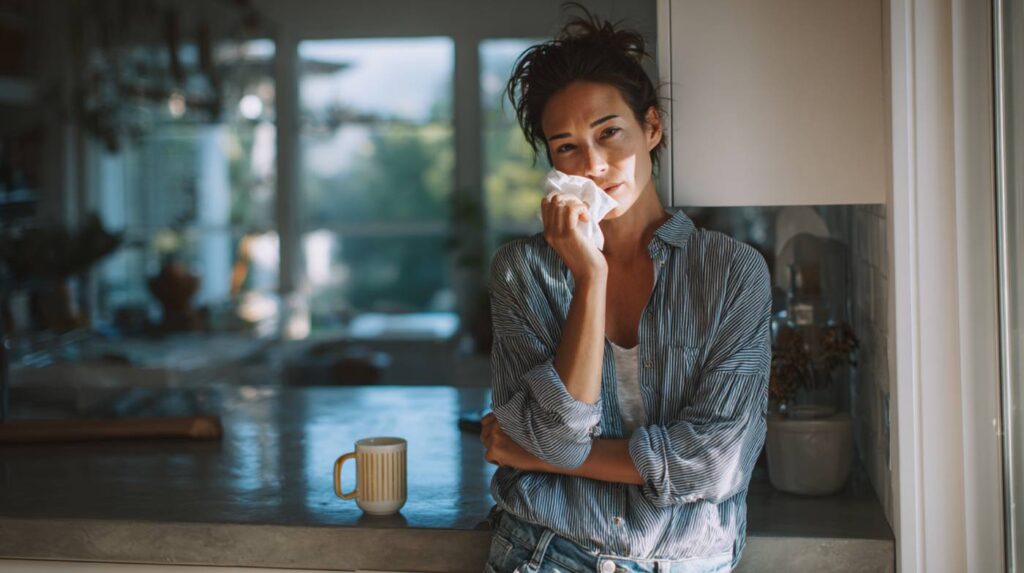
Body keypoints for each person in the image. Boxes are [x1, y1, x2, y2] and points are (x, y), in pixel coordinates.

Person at [479, 4, 771, 572]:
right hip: (543, 555)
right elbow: (560, 436)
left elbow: (714, 465)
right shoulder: (522, 272)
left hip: (685, 560)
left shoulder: (733, 273)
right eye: (566, 146)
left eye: (609, 133)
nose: (592, 164)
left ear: (651, 128)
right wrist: (590, 277)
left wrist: (545, 458)